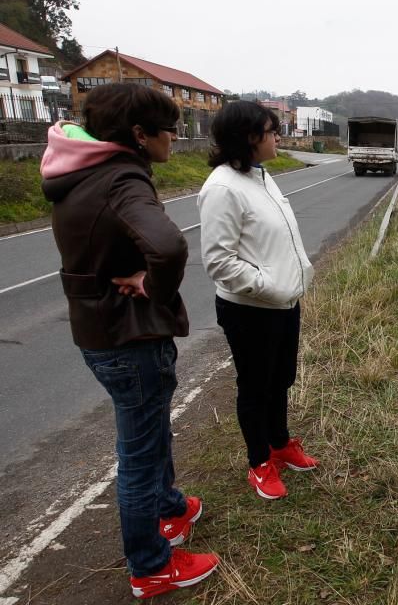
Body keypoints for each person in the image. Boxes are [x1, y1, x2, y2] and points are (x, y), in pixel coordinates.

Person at [40, 83, 218, 599]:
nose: (176, 137)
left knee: (150, 428)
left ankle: (168, 507)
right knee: (139, 450)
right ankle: (151, 565)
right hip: (129, 333)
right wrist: (154, 287)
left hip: (98, 328)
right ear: (139, 135)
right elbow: (167, 244)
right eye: (170, 129)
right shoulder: (122, 178)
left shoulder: (78, 171)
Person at [197, 100, 318, 500]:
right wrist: (271, 285)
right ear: (250, 137)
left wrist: (287, 286)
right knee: (254, 387)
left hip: (283, 303)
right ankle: (258, 462)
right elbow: (219, 262)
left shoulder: (261, 176)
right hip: (250, 309)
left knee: (281, 378)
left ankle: (280, 443)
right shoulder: (222, 188)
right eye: (272, 130)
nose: (279, 136)